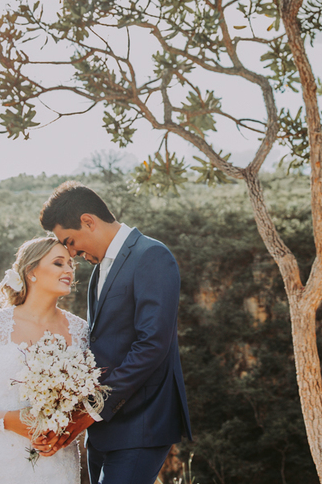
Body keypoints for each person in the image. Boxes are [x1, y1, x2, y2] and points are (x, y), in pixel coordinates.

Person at [41, 181, 192, 484]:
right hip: (102, 429)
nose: (72, 252)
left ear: (88, 221)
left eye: (70, 241)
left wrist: (94, 407)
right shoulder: (99, 269)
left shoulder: (151, 255)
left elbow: (152, 344)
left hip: (142, 423)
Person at [0, 236, 89, 484]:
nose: (69, 270)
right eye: (58, 263)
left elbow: (89, 400)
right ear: (31, 271)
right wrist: (11, 421)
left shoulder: (81, 331)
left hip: (57, 463)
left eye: (71, 264)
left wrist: (65, 430)